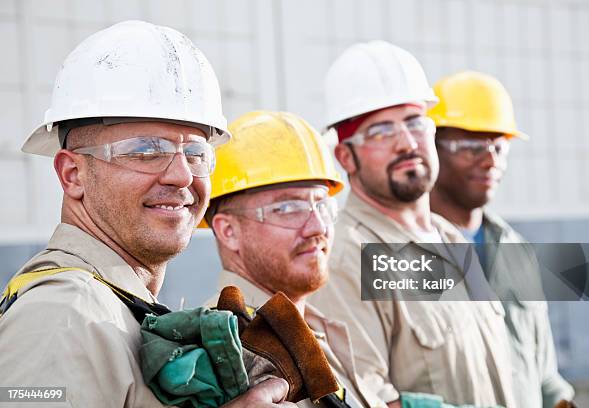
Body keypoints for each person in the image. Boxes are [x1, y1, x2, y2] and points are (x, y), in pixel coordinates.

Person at [0, 21, 294, 408]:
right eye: (145, 150)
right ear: (73, 175)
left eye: (195, 153)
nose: (182, 175)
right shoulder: (62, 317)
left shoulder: (116, 309)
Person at [308, 41, 516, 407]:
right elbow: (369, 400)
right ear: (346, 157)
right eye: (380, 132)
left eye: (415, 122)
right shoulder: (346, 260)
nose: (406, 143)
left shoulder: (451, 239)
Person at [203, 110, 389, 408]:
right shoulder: (225, 348)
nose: (317, 227)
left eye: (322, 205)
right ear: (228, 231)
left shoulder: (317, 330)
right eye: (288, 208)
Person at [429, 70, 575, 408]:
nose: (491, 159)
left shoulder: (516, 250)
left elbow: (543, 373)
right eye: (470, 146)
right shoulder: (402, 251)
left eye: (499, 145)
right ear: (430, 149)